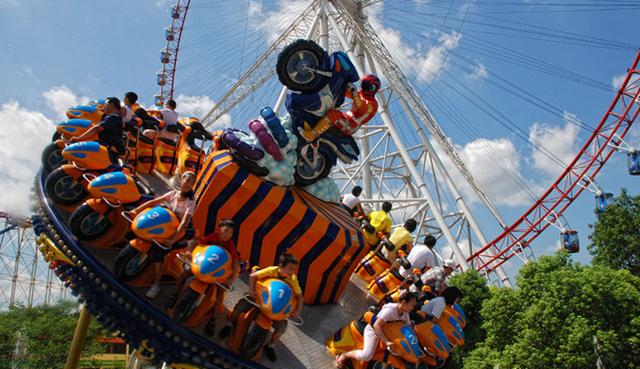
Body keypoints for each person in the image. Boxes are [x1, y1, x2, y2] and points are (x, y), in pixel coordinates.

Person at [125, 171, 198, 299]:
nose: (187, 184)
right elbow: (153, 202)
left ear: (193, 186)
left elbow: (184, 223)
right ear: (181, 180)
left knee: (158, 251)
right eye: (186, 180)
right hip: (165, 224)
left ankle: (156, 284)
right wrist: (136, 210)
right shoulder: (173, 194)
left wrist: (173, 238)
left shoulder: (190, 202)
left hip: (177, 230)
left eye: (191, 183)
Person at [219, 253, 304, 362]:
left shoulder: (293, 279)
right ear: (281, 266)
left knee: (282, 328)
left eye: (295, 269)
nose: (293, 272)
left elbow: (300, 297)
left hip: (276, 308)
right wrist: (251, 290)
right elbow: (252, 276)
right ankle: (229, 323)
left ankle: (270, 345)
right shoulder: (272, 270)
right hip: (261, 299)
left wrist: (298, 310)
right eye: (290, 268)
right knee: (241, 306)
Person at [167, 219, 240, 335]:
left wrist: (232, 278)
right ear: (219, 229)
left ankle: (212, 320)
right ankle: (175, 294)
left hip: (217, 272)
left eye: (230, 232)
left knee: (220, 294)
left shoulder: (230, 245)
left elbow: (235, 262)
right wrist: (190, 252)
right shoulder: (213, 237)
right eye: (225, 231)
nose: (227, 235)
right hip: (204, 267)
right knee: (186, 274)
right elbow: (199, 243)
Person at [336, 291, 418, 367]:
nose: (413, 308)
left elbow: (408, 326)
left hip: (388, 334)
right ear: (404, 303)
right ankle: (345, 355)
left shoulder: (405, 313)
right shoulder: (390, 311)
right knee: (367, 355)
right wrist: (386, 341)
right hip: (374, 331)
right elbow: (376, 325)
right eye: (412, 305)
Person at [300, 74, 381, 141]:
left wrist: (353, 91)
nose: (365, 87)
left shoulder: (373, 104)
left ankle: (312, 134)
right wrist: (340, 83)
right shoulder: (361, 94)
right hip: (345, 118)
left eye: (368, 86)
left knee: (333, 114)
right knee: (329, 105)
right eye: (364, 84)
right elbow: (346, 92)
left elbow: (360, 106)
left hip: (350, 126)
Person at [68, 97, 124, 164]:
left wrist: (79, 138)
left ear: (111, 105)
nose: (104, 107)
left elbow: (97, 128)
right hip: (108, 147)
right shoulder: (116, 117)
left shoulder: (113, 117)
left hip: (108, 150)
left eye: (105, 104)